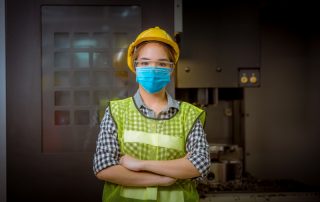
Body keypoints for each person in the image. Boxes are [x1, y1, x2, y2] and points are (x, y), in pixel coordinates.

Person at [93, 26, 210, 202]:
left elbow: (200, 164)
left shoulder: (189, 115)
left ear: (171, 69)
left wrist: (140, 164)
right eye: (145, 63)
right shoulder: (116, 112)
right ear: (135, 66)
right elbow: (103, 167)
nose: (153, 69)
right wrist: (163, 179)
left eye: (162, 63)